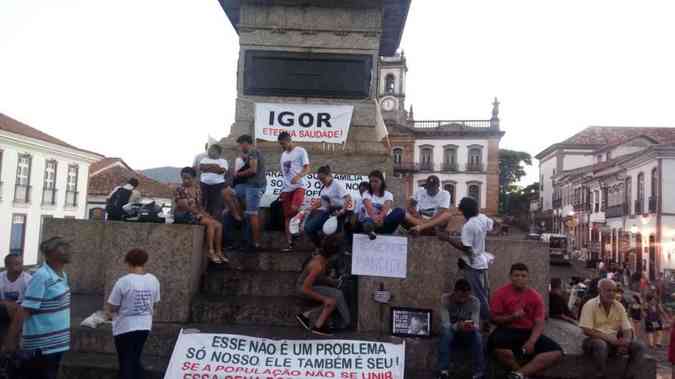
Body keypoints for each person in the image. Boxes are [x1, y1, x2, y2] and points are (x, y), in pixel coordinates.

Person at [5, 237, 72, 379]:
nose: (68, 251)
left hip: (57, 344)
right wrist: (10, 341)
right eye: (63, 247)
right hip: (42, 347)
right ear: (51, 254)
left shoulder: (62, 275)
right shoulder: (41, 276)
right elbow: (25, 310)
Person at [489, 263, 563, 379]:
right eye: (516, 275)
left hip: (527, 331)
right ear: (510, 277)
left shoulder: (535, 297)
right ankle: (522, 372)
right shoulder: (500, 294)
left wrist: (532, 341)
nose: (520, 279)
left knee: (557, 352)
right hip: (507, 330)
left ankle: (519, 374)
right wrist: (512, 317)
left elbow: (539, 322)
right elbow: (494, 319)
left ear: (528, 278)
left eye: (523, 276)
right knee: (499, 349)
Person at [105, 249, 160, 379]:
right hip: (145, 325)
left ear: (128, 262)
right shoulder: (153, 280)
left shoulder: (124, 281)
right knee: (135, 358)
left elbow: (112, 306)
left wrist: (110, 313)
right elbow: (155, 304)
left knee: (125, 361)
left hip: (125, 327)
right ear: (144, 262)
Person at [439, 197, 493, 326]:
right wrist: (482, 240)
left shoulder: (469, 226)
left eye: (462, 211)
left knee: (478, 296)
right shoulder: (482, 217)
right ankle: (487, 320)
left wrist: (447, 238)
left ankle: (487, 321)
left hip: (473, 265)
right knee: (484, 293)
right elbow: (494, 225)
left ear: (464, 211)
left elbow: (466, 248)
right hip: (482, 262)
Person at [578, 279, 645, 379]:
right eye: (608, 290)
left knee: (640, 346)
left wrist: (625, 342)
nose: (612, 293)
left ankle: (629, 376)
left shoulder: (619, 306)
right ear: (599, 291)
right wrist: (609, 339)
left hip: (614, 342)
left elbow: (627, 328)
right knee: (600, 344)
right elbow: (586, 330)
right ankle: (600, 375)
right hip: (593, 341)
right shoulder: (590, 305)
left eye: (614, 290)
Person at [295, 236, 349, 336]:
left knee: (337, 295)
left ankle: (307, 316)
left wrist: (333, 282)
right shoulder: (318, 265)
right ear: (333, 255)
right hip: (302, 288)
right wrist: (324, 299)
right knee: (332, 300)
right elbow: (305, 288)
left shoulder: (322, 259)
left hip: (311, 285)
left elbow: (320, 277)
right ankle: (318, 326)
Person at [174, 167, 226, 264]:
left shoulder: (197, 189)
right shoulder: (179, 189)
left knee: (218, 225)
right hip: (184, 215)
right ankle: (210, 251)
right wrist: (200, 215)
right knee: (210, 223)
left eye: (188, 178)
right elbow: (183, 205)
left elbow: (199, 206)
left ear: (194, 178)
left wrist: (207, 215)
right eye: (183, 178)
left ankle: (218, 251)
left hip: (196, 213)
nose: (185, 180)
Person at [224, 134, 267, 252]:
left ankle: (256, 243)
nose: (240, 147)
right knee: (227, 192)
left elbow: (253, 170)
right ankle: (238, 216)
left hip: (255, 187)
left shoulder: (253, 152)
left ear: (245, 143)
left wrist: (238, 174)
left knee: (252, 214)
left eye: (240, 145)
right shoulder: (252, 154)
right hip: (247, 186)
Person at [438, 279, 484, 379]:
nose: (463, 299)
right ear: (454, 292)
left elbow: (476, 323)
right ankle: (443, 371)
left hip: (467, 332)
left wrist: (469, 326)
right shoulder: (445, 299)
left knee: (478, 336)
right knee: (446, 333)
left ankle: (479, 372)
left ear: (469, 294)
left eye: (466, 297)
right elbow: (445, 324)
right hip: (451, 332)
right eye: (460, 296)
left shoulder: (475, 301)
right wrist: (457, 326)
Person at [303, 166, 351, 250]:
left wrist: (343, 209)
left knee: (336, 236)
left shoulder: (336, 185)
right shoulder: (323, 188)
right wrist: (310, 208)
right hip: (327, 212)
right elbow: (322, 202)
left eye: (323, 178)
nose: (322, 181)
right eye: (320, 179)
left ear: (329, 175)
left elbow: (348, 197)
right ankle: (320, 247)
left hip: (338, 213)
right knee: (308, 228)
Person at [278, 132, 311, 252]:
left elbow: (307, 168)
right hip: (287, 189)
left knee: (294, 208)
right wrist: (282, 189)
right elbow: (284, 174)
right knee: (287, 216)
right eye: (280, 144)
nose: (282, 146)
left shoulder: (300, 151)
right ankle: (289, 243)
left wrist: (298, 176)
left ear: (289, 141)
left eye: (283, 144)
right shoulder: (283, 155)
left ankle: (303, 221)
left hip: (299, 186)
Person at [356, 170, 406, 240]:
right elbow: (369, 209)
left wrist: (380, 218)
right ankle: (371, 231)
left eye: (376, 181)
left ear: (381, 181)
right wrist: (374, 218)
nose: (373, 184)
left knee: (400, 211)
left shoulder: (388, 194)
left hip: (385, 223)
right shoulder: (366, 194)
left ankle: (372, 229)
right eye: (371, 181)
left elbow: (386, 208)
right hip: (371, 221)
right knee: (367, 222)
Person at [0, 254, 31, 349]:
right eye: (17, 264)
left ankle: (11, 348)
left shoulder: (28, 279)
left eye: (21, 263)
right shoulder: (1, 277)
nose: (21, 267)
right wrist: (7, 304)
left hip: (21, 312)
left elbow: (29, 303)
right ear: (7, 266)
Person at [198, 144, 228, 218]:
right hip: (204, 185)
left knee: (216, 203)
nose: (209, 151)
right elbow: (202, 168)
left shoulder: (223, 161)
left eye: (211, 150)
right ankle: (205, 219)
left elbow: (221, 171)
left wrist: (208, 167)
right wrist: (215, 167)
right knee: (204, 203)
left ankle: (215, 220)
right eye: (209, 150)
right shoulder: (204, 159)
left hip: (218, 185)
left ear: (217, 152)